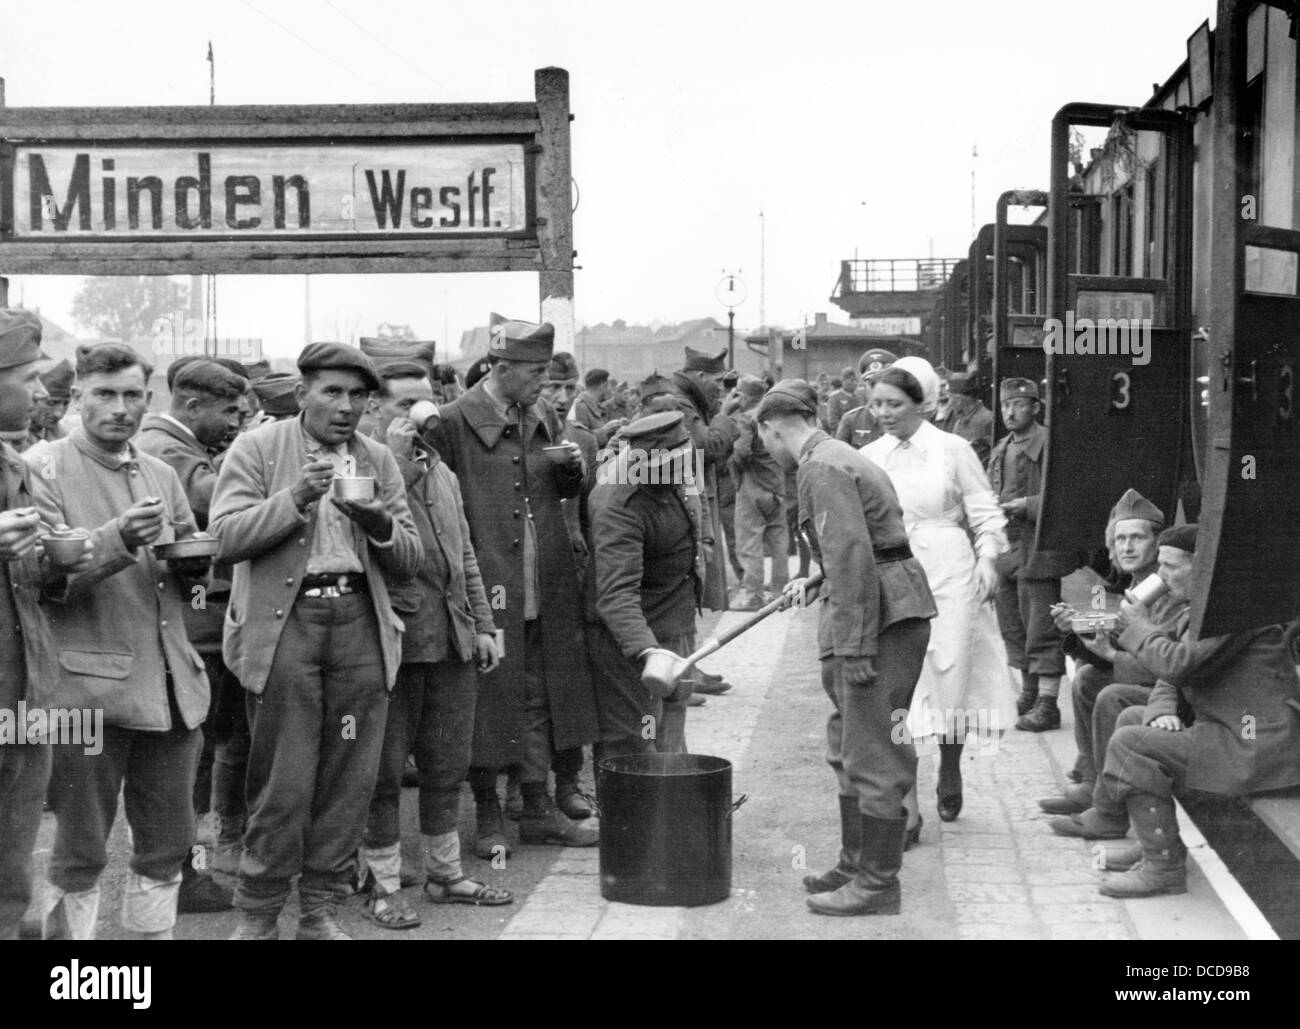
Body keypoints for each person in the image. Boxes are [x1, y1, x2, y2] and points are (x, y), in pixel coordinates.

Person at [210, 342, 422, 941]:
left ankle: (320, 912)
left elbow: (410, 560)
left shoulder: (377, 457)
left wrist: (378, 522)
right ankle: (257, 916)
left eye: (358, 395)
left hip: (359, 623)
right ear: (301, 394)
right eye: (332, 391)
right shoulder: (258, 447)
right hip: (287, 625)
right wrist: (296, 497)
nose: (346, 406)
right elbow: (223, 539)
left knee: (349, 781)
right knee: (284, 781)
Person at [28, 343, 213, 941]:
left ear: (149, 399)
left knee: (167, 847)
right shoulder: (42, 466)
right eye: (104, 394)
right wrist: (116, 537)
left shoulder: (159, 472)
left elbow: (186, 567)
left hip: (170, 689)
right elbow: (39, 581)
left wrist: (194, 565)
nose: (120, 408)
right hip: (83, 695)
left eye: (133, 395)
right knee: (80, 851)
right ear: (78, 394)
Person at [755, 380, 936, 917]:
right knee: (848, 741)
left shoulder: (821, 467)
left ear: (773, 426)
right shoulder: (838, 455)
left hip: (877, 620)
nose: (764, 446)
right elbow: (865, 543)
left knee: (872, 751)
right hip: (881, 607)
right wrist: (816, 581)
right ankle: (856, 862)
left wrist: (855, 646)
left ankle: (878, 885)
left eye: (761, 435)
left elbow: (855, 554)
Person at [1050, 526, 1300, 898]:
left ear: (1202, 567)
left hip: (1256, 746)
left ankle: (1163, 867)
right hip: (1233, 731)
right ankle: (1152, 841)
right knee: (1132, 720)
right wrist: (1161, 709)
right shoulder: (1209, 605)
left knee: (1133, 744)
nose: (1160, 576)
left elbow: (1179, 663)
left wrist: (1140, 628)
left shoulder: (1233, 609)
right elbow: (1171, 676)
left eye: (1169, 566)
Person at [428, 320, 600, 857]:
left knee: (541, 691)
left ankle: (538, 803)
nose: (542, 385)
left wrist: (573, 472)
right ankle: (487, 814)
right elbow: (438, 509)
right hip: (487, 581)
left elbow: (559, 494)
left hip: (543, 577)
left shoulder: (542, 415)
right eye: (533, 373)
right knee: (487, 696)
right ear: (501, 369)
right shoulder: (452, 424)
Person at [356, 362, 510, 928]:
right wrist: (396, 460)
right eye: (404, 404)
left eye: (427, 401)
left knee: (447, 764)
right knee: (383, 771)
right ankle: (382, 884)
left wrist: (485, 625)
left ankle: (445, 875)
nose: (421, 413)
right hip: (393, 641)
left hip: (451, 640)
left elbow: (464, 553)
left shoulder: (440, 468)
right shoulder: (363, 467)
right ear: (376, 409)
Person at [862, 358, 1012, 833]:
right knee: (900, 677)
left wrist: (988, 558)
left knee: (950, 669)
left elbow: (985, 511)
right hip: (894, 568)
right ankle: (907, 797)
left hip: (949, 566)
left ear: (921, 404)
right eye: (876, 404)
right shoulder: (870, 455)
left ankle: (950, 763)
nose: (883, 413)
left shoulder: (953, 449)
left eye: (894, 404)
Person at [136, 359, 250, 909]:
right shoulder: (169, 449)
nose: (237, 419)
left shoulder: (173, 445)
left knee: (200, 751)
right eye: (228, 410)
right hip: (191, 624)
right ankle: (184, 873)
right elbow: (214, 503)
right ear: (192, 406)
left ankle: (186, 868)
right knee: (190, 755)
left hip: (193, 618)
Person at [0, 311, 85, 940]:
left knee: (14, 840)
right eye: (27, 378)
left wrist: (74, 552)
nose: (40, 392)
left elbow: (37, 582)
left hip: (26, 689)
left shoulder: (16, 464)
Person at [1038, 489, 1185, 817]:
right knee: (1088, 678)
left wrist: (1109, 654)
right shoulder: (1136, 585)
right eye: (1120, 540)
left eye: (1137, 538)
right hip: (1155, 685)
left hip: (1172, 696)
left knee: (1110, 693)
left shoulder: (1169, 588)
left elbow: (1164, 666)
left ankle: (1108, 803)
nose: (1127, 547)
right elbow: (1121, 643)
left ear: (1157, 543)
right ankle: (1091, 782)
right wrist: (1076, 628)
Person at [586, 412, 704, 757]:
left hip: (674, 621)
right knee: (637, 739)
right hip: (634, 644)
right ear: (645, 462)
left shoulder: (670, 477)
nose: (685, 470)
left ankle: (674, 801)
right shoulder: (619, 505)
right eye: (675, 464)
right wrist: (648, 652)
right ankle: (638, 809)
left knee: (672, 720)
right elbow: (615, 596)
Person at [988, 378, 1078, 731]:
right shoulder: (1002, 447)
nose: (1010, 411)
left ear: (1036, 408)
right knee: (1013, 626)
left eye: (1019, 404)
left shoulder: (1052, 445)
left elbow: (1069, 497)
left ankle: (1048, 704)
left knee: (1041, 628)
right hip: (1006, 549)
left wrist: (1027, 505)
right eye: (1006, 404)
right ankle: (1028, 693)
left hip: (1037, 548)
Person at [670, 347, 740, 611]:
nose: (722, 388)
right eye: (718, 381)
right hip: (690, 499)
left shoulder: (690, 398)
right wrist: (724, 416)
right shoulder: (680, 401)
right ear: (700, 375)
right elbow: (706, 448)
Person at [729, 375, 787, 610]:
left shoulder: (745, 419)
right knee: (779, 543)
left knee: (749, 543)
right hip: (777, 484)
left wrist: (732, 462)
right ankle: (780, 593)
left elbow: (741, 452)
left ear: (745, 396)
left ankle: (753, 595)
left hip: (752, 485)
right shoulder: (774, 417)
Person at [570, 367, 625, 447]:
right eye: (608, 385)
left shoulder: (597, 406)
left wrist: (617, 425)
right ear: (603, 385)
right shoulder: (580, 406)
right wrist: (605, 430)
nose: (610, 389)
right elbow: (581, 440)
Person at [948, 373, 994, 466]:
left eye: (950, 398)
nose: (949, 403)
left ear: (959, 398)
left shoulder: (988, 420)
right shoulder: (959, 423)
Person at [28, 358, 73, 449]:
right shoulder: (8, 436)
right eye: (51, 403)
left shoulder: (61, 435)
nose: (59, 414)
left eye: (66, 404)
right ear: (30, 399)